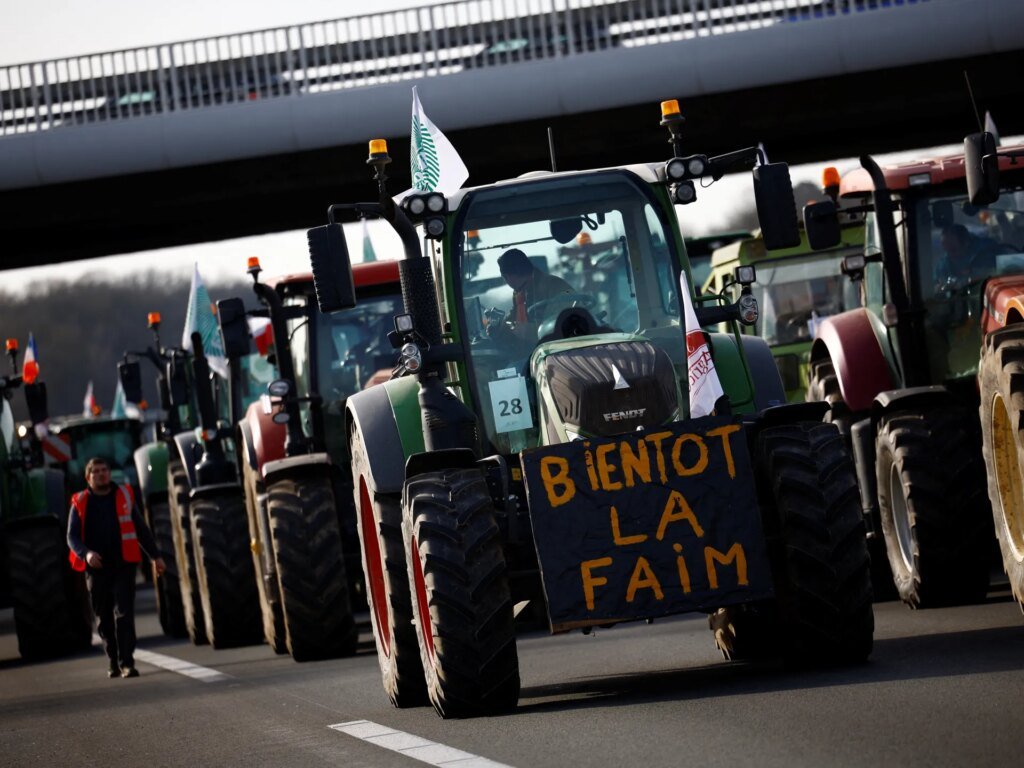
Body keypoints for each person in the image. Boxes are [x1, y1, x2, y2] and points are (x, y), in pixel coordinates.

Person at [67, 457, 165, 679]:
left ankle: (127, 662)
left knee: (124, 614)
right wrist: (87, 554)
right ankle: (112, 660)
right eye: (96, 472)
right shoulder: (80, 502)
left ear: (109, 474)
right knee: (103, 618)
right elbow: (71, 537)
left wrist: (155, 557)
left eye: (105, 470)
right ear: (88, 477)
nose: (101, 474)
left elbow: (141, 529)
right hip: (96, 569)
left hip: (123, 565)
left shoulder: (125, 496)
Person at [497, 248, 574, 324]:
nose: (507, 282)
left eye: (505, 278)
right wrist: (500, 326)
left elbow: (559, 324)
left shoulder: (555, 286)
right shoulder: (520, 293)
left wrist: (526, 330)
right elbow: (514, 317)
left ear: (508, 276)